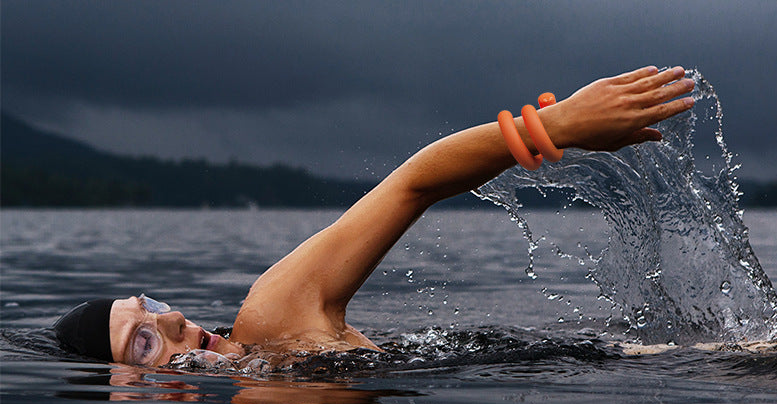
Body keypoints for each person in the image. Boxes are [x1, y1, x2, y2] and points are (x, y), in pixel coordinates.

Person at [54, 66, 695, 367]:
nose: (172, 318)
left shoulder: (272, 318)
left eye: (151, 305)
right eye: (143, 341)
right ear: (125, 401)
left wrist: (554, 126)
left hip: (652, 364)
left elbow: (412, 184)